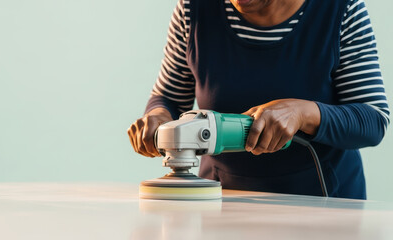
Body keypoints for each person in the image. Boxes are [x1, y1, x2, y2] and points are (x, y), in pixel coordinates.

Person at [127, 0, 389, 199]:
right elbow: (169, 97)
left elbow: (373, 119)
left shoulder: (341, 9)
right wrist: (158, 116)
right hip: (221, 203)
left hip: (324, 204)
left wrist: (305, 113)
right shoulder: (193, 9)